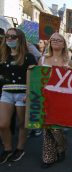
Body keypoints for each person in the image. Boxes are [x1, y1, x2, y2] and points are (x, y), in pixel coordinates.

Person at [0, 28, 37, 164]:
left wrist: (29, 93)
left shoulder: (29, 57)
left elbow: (34, 77)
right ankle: (7, 149)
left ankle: (20, 148)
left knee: (22, 123)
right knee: (3, 124)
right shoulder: (3, 56)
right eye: (7, 36)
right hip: (6, 93)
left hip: (23, 94)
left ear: (20, 39)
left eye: (13, 37)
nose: (9, 38)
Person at [38, 32, 72, 168]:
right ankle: (48, 157)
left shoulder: (68, 61)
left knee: (56, 129)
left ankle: (61, 146)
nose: (55, 41)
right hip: (44, 97)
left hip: (60, 100)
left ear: (64, 44)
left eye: (59, 40)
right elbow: (35, 77)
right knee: (47, 128)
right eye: (53, 39)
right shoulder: (42, 59)